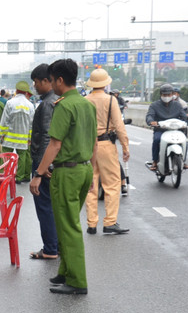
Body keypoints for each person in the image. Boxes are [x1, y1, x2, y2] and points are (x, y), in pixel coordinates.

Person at [30, 59, 98, 295]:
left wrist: (38, 174)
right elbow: (94, 142)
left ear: (59, 80)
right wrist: (92, 173)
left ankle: (77, 281)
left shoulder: (64, 105)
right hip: (83, 169)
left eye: (51, 80)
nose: (51, 84)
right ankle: (66, 271)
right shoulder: (86, 104)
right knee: (65, 223)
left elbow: (54, 144)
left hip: (67, 172)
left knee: (68, 228)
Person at [84, 69, 130, 236]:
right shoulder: (111, 100)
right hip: (105, 145)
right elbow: (119, 125)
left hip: (88, 145)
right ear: (105, 83)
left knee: (91, 184)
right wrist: (125, 147)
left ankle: (91, 223)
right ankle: (110, 222)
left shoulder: (85, 100)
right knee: (111, 184)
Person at [28, 64, 59, 261]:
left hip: (44, 165)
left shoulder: (48, 104)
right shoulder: (57, 100)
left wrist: (41, 169)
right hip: (55, 164)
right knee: (54, 208)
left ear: (47, 81)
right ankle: (56, 245)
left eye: (37, 82)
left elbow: (48, 137)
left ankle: (50, 249)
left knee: (45, 207)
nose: (35, 86)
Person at [146, 83, 188, 171]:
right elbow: (150, 115)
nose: (167, 97)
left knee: (184, 141)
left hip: (176, 130)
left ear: (172, 94)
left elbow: (184, 116)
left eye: (169, 94)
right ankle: (155, 161)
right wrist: (151, 121)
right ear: (161, 95)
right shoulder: (154, 105)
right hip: (161, 130)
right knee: (157, 140)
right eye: (165, 95)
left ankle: (183, 161)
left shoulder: (177, 105)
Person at [0, 81, 34, 183]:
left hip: (9, 137)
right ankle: (19, 177)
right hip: (23, 138)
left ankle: (3, 175)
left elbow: (4, 120)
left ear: (16, 91)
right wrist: (29, 138)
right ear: (26, 92)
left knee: (6, 156)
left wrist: (1, 134)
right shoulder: (30, 105)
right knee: (22, 157)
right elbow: (31, 124)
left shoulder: (10, 103)